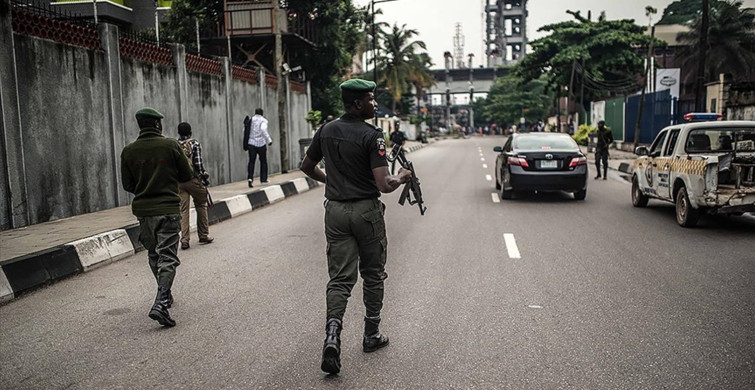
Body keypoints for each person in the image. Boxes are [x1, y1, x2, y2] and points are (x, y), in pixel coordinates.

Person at [300, 79, 413, 375]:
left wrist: (333, 183)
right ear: (356, 103)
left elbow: (307, 167)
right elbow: (384, 184)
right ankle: (371, 334)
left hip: (335, 211)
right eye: (370, 99)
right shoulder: (372, 135)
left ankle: (332, 336)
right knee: (373, 273)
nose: (374, 104)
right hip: (366, 211)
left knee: (339, 280)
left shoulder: (325, 130)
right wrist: (401, 176)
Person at [120, 107, 194, 327]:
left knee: (154, 254)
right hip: (169, 209)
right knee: (168, 256)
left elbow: (128, 185)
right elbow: (187, 175)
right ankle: (161, 301)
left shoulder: (128, 151)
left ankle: (165, 294)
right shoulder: (170, 145)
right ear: (158, 125)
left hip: (144, 212)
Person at [177, 122, 214, 250]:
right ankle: (203, 235)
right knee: (201, 204)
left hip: (179, 183)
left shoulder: (175, 145)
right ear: (190, 132)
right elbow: (198, 164)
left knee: (183, 210)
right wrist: (204, 174)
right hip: (193, 180)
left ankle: (185, 240)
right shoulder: (194, 144)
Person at [243, 108, 273, 188]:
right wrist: (269, 140)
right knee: (263, 161)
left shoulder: (251, 120)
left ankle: (250, 178)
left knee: (251, 161)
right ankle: (263, 179)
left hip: (251, 143)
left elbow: (245, 130)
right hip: (261, 144)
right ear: (262, 113)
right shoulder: (263, 120)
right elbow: (263, 129)